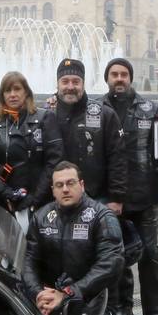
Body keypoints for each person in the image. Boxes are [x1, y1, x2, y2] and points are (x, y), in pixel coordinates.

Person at [21, 161, 124, 315]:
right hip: (52, 295)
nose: (65, 189)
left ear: (82, 184)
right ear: (52, 190)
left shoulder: (102, 216)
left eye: (70, 183)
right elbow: (28, 260)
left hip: (92, 300)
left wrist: (68, 293)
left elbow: (111, 263)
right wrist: (37, 293)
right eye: (59, 185)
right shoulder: (41, 217)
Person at [101, 57, 158, 315]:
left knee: (150, 255)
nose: (119, 78)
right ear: (107, 78)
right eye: (114, 74)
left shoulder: (151, 109)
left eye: (124, 74)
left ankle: (154, 314)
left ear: (131, 78)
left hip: (144, 198)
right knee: (118, 256)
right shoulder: (96, 109)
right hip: (110, 199)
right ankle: (123, 308)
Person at [0, 71, 63, 211]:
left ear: (26, 92)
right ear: (2, 96)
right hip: (4, 202)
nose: (12, 94)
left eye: (17, 89)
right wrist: (7, 193)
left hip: (41, 202)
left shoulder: (45, 118)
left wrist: (35, 197)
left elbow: (55, 161)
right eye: (7, 90)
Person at [51, 59, 127, 211]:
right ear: (57, 84)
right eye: (65, 81)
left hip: (98, 199)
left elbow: (118, 158)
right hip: (58, 198)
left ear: (83, 84)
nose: (70, 87)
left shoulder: (104, 114)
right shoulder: (47, 115)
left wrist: (117, 198)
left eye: (76, 82)